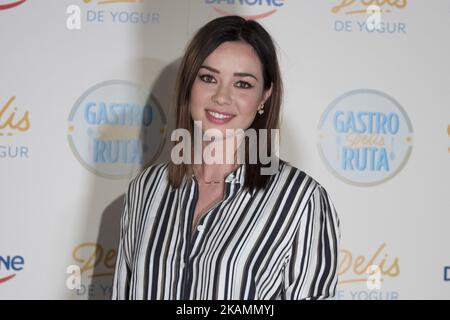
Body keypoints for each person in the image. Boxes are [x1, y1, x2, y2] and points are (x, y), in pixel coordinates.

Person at [111, 15, 340, 300]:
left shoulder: (301, 200)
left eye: (242, 84)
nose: (221, 97)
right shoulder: (146, 189)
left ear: (264, 96)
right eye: (208, 78)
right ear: (189, 85)